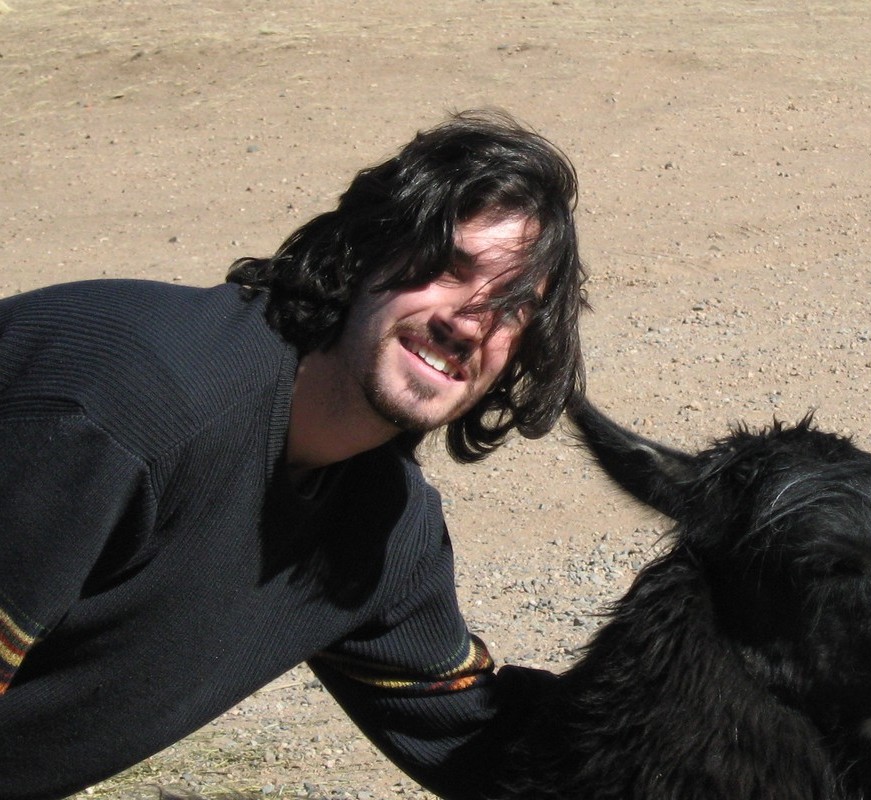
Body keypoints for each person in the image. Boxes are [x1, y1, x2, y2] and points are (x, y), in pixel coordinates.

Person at [0, 109, 587, 800]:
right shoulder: (137, 412)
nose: (467, 322)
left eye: (511, 310)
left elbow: (489, 747)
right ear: (365, 247)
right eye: (448, 269)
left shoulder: (381, 529)